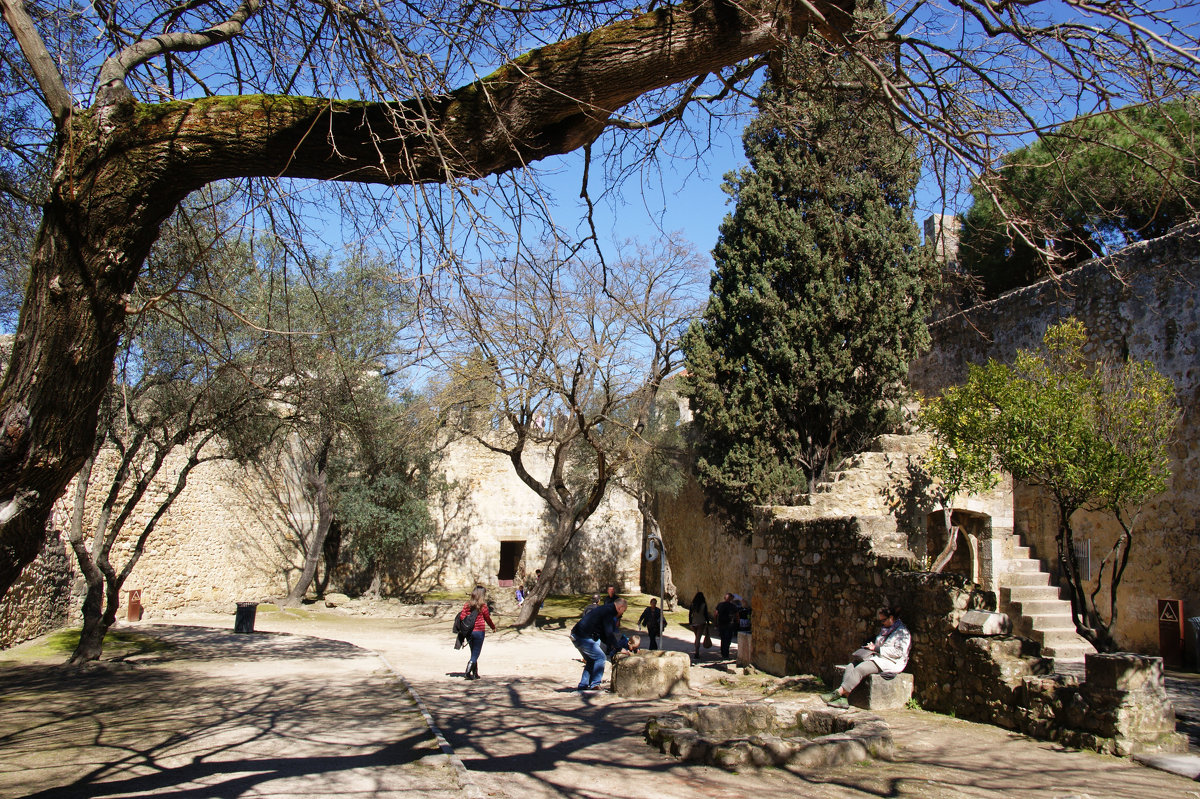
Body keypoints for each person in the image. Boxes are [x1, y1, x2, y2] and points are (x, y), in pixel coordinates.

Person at [822, 603, 911, 707]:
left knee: (861, 669)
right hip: (879, 657)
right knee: (851, 666)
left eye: (883, 620)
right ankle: (844, 699)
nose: (882, 623)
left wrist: (877, 648)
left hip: (891, 661)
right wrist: (872, 646)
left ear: (891, 618)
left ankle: (838, 693)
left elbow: (898, 652)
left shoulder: (902, 633)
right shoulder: (886, 630)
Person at [570, 596, 629, 691]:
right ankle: (595, 684)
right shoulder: (609, 612)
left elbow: (604, 633)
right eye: (624, 610)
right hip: (582, 636)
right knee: (600, 657)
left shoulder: (606, 609)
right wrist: (619, 648)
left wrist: (612, 647)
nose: (623, 613)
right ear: (620, 607)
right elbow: (609, 633)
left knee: (591, 660)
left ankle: (583, 685)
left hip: (576, 635)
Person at [458, 585, 497, 681]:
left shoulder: (467, 605)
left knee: (473, 652)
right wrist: (493, 627)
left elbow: (462, 617)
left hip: (469, 632)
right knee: (476, 654)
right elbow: (487, 618)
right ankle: (467, 672)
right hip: (479, 631)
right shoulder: (483, 606)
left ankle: (475, 673)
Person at [715, 592, 740, 659]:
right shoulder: (733, 606)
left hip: (721, 624)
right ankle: (726, 653)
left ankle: (723, 652)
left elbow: (716, 614)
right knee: (728, 639)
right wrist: (738, 623)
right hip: (730, 625)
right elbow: (737, 615)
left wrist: (716, 623)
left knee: (723, 639)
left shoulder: (720, 605)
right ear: (731, 599)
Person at [687, 591, 711, 660]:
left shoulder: (693, 605)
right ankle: (697, 652)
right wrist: (708, 622)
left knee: (696, 637)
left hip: (694, 622)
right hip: (701, 622)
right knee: (698, 638)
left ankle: (696, 650)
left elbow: (690, 614)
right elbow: (706, 614)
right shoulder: (703, 605)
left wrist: (690, 623)